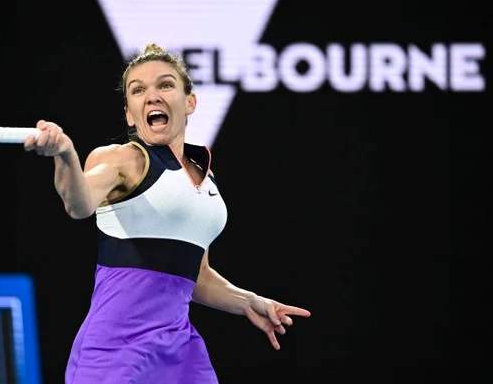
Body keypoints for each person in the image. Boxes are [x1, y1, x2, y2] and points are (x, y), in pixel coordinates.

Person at [24, 43, 311, 384]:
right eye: (138, 90)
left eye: (165, 85)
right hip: (116, 348)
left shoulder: (204, 178)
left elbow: (198, 277)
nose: (152, 95)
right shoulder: (121, 159)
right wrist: (66, 155)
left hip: (179, 349)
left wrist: (249, 302)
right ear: (130, 113)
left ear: (189, 102)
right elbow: (79, 203)